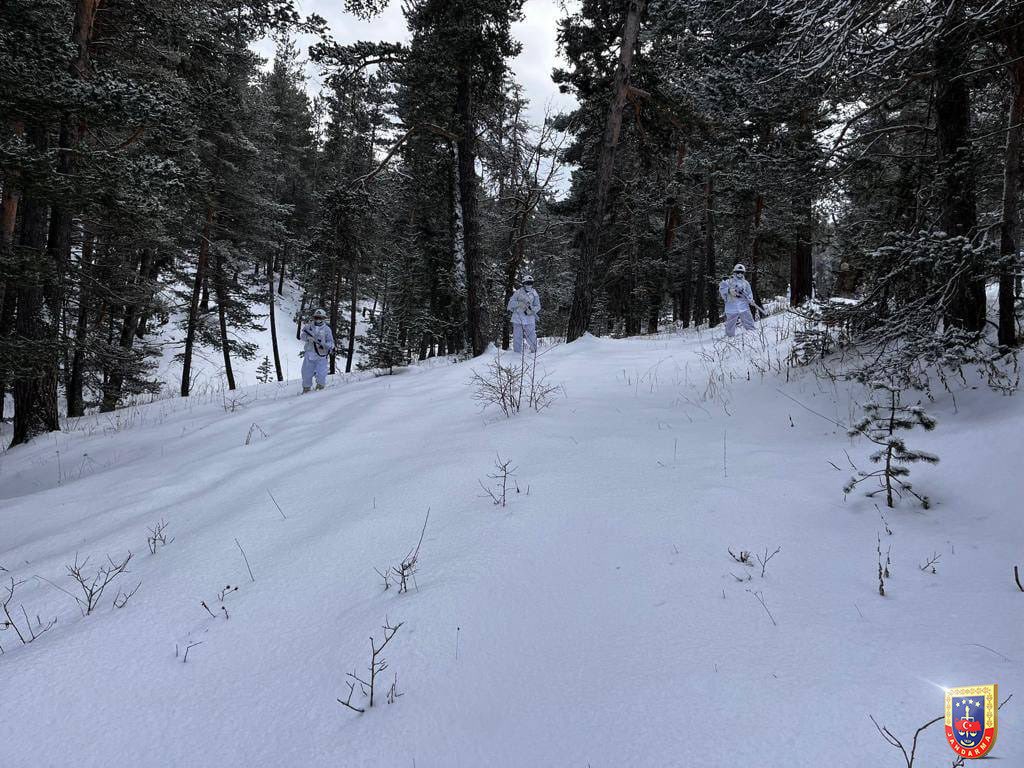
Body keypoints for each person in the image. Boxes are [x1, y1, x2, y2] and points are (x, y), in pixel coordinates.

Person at [300, 308, 335, 392]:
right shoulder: (308, 327)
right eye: (316, 317)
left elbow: (331, 342)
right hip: (309, 354)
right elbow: (302, 336)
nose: (318, 319)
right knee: (306, 373)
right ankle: (306, 390)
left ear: (324, 318)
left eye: (320, 318)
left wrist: (325, 346)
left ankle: (320, 390)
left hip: (321, 355)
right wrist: (308, 338)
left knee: (321, 373)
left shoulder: (327, 329)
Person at [719, 264, 757, 337]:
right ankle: (729, 336)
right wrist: (729, 290)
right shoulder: (728, 281)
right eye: (738, 272)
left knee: (748, 320)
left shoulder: (745, 283)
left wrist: (751, 300)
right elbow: (721, 289)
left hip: (743, 306)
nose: (740, 274)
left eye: (741, 272)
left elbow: (749, 293)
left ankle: (752, 334)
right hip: (731, 306)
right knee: (730, 323)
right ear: (734, 272)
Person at [507, 274, 541, 354]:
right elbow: (510, 304)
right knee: (517, 336)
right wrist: (519, 304)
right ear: (523, 283)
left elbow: (538, 306)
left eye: (530, 283)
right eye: (527, 283)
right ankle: (517, 353)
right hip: (518, 318)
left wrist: (532, 311)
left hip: (530, 318)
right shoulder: (518, 293)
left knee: (532, 335)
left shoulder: (534, 293)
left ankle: (534, 352)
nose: (529, 285)